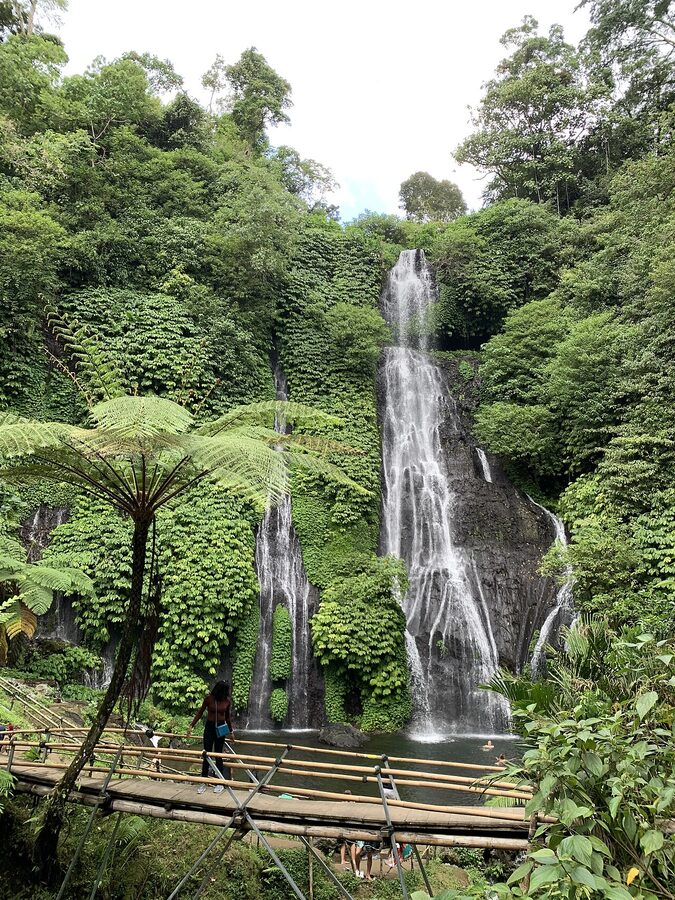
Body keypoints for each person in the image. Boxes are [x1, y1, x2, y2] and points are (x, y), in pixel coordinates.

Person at [187, 681, 234, 795]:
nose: (228, 692)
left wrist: (231, 731)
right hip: (209, 727)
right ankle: (204, 781)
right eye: (226, 690)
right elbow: (200, 712)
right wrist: (191, 726)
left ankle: (219, 782)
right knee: (206, 754)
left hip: (221, 728)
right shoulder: (209, 699)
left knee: (218, 755)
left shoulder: (227, 701)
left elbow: (227, 717)